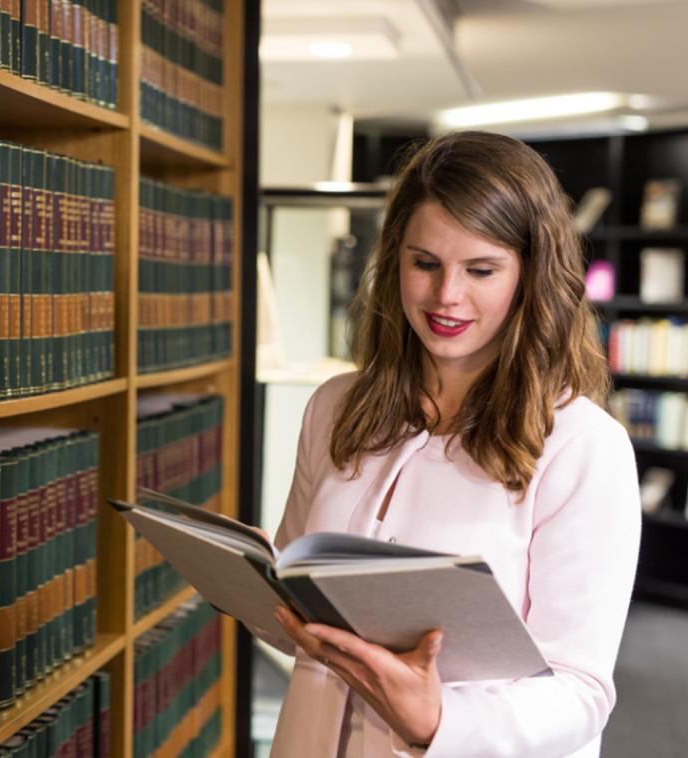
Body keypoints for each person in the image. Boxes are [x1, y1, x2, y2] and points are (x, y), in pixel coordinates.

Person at [265, 131, 641, 758]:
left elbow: (580, 690)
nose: (447, 296)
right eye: (425, 263)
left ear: (532, 276)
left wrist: (438, 719)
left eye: (481, 270)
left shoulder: (583, 447)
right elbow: (292, 595)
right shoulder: (334, 406)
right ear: (395, 261)